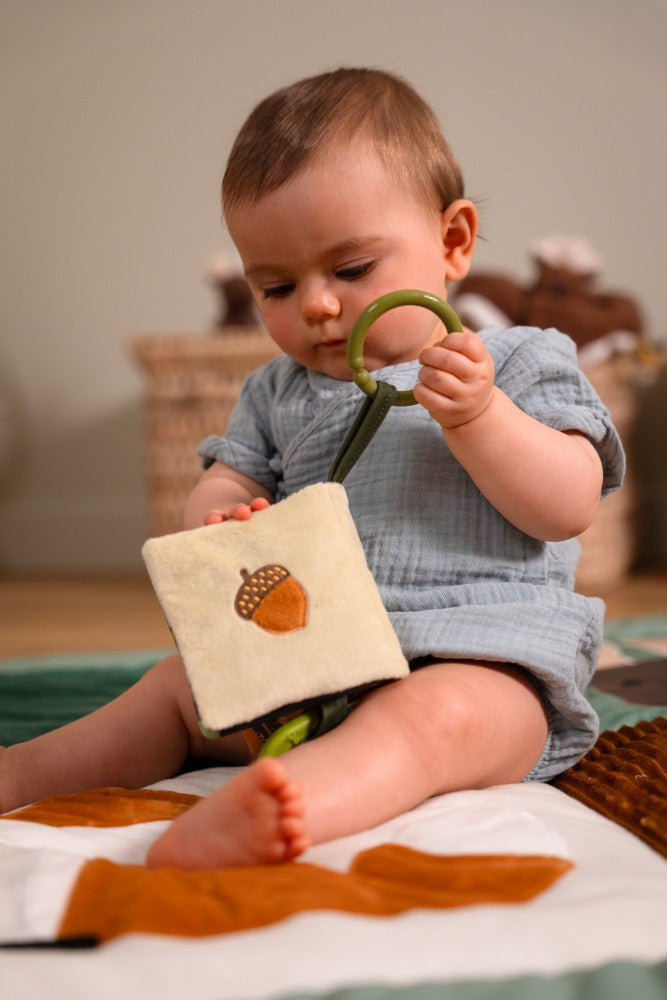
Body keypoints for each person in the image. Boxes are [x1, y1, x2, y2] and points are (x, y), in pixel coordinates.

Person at [0, 68, 624, 869]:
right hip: (302, 651)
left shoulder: (516, 361)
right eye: (279, 286)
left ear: (453, 242)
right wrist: (221, 514)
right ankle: (25, 769)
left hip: (479, 655)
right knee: (173, 691)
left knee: (431, 723)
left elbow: (567, 504)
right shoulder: (276, 390)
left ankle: (295, 802)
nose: (319, 306)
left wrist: (480, 417)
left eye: (351, 269)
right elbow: (228, 479)